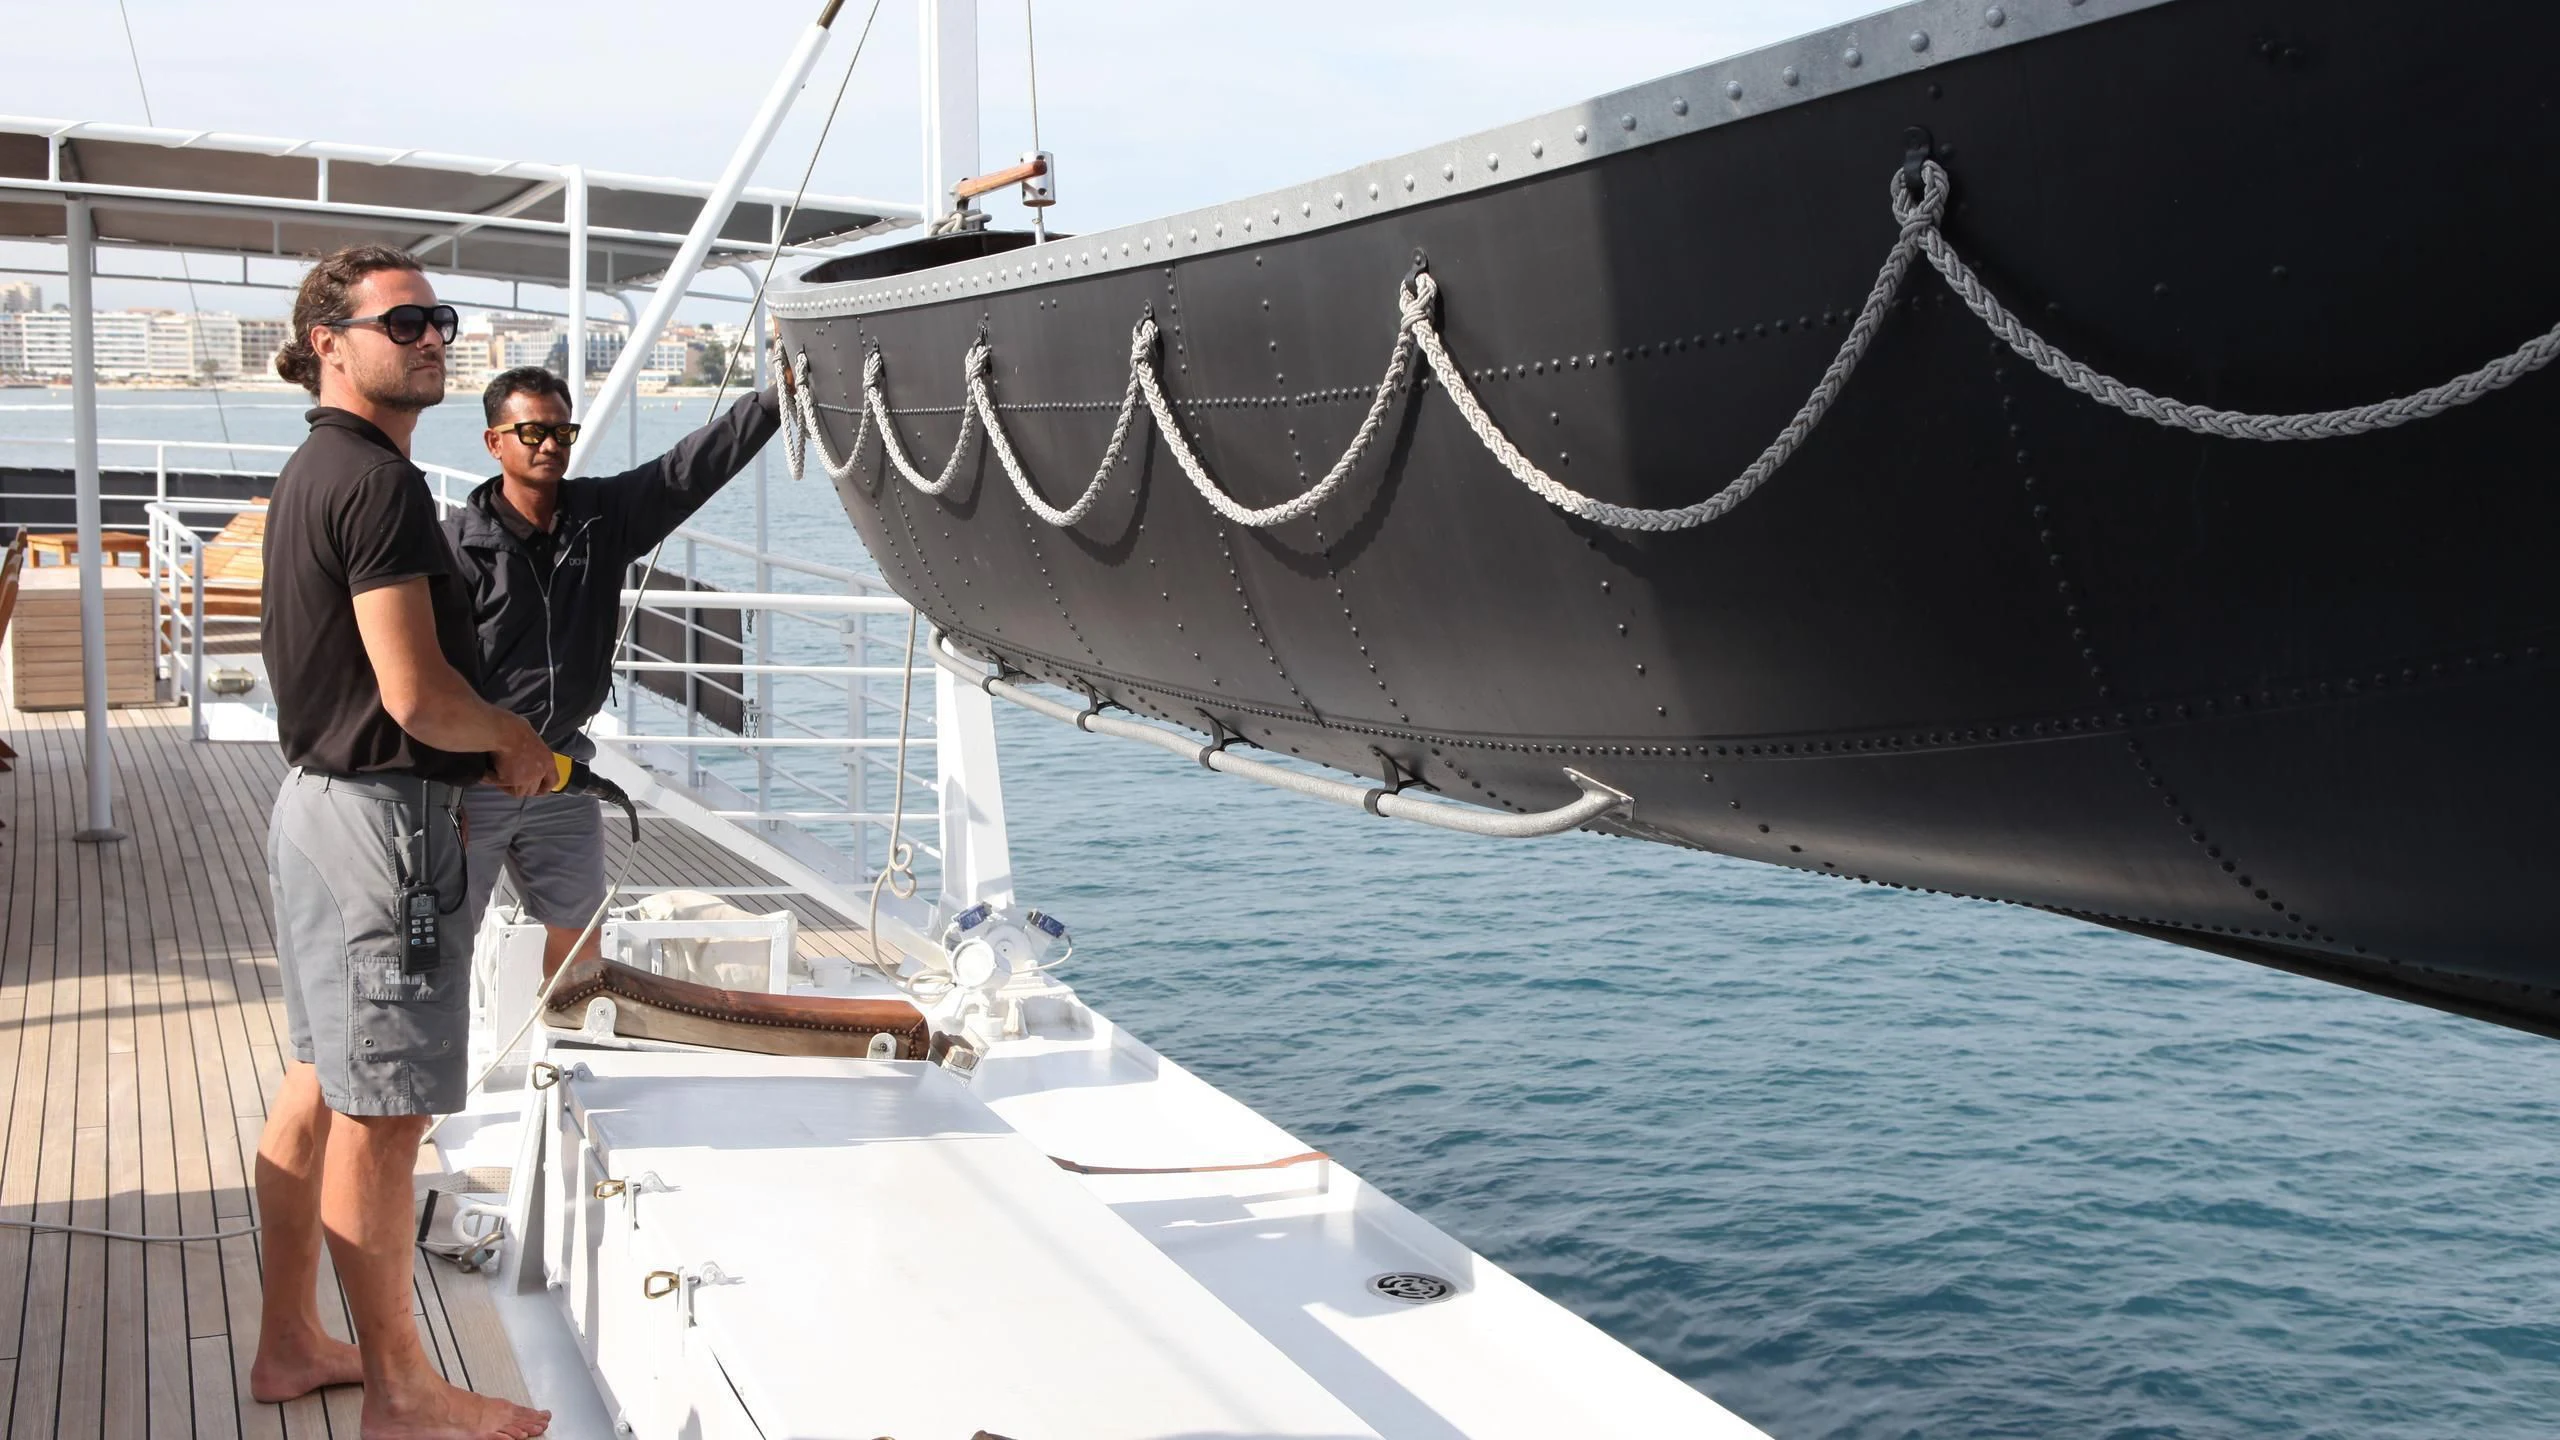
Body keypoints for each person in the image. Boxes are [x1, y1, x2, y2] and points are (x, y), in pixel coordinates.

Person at [252, 244, 554, 1439]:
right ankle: (401, 1392)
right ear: (328, 343)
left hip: (318, 809)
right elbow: (418, 696)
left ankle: (289, 1343)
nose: (434, 337)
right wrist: (514, 739)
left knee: (323, 1083)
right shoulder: (378, 486)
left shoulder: (314, 471)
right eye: (405, 321)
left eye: (442, 318)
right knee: (383, 1119)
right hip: (384, 829)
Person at [444, 361, 785, 975]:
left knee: (580, 936)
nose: (549, 444)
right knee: (448, 942)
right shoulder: (456, 550)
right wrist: (459, 769)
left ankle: (567, 1044)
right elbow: (430, 677)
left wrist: (773, 401)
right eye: (531, 433)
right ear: (495, 442)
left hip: (562, 768)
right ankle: (443, 1065)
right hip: (476, 782)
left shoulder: (601, 519)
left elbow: (686, 470)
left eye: (561, 432)